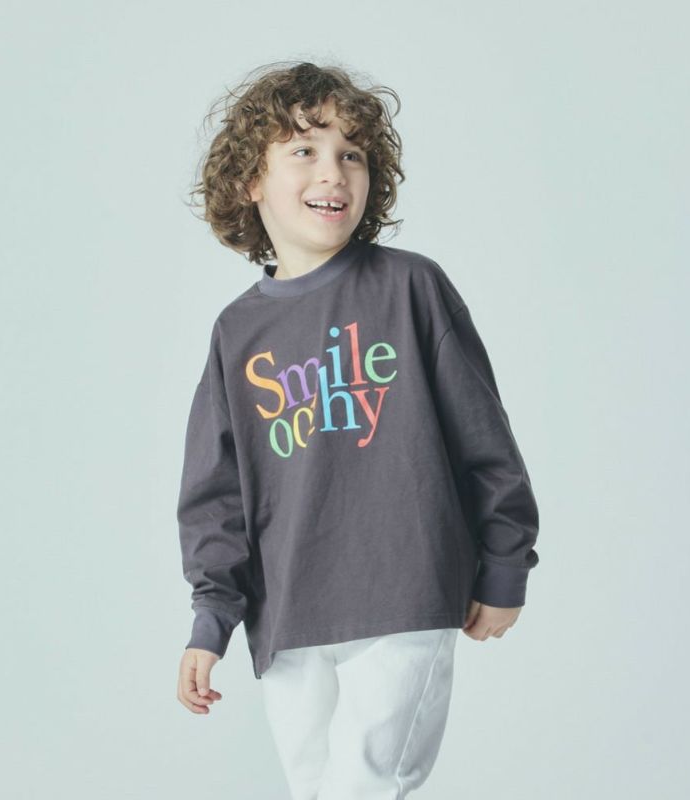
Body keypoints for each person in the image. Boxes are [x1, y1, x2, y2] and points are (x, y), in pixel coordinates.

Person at [175, 60, 540, 799]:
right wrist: (211, 619)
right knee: (315, 787)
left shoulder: (411, 287)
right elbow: (216, 494)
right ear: (250, 181)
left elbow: (484, 437)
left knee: (366, 785)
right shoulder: (237, 333)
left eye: (352, 154)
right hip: (288, 611)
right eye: (303, 149)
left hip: (405, 588)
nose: (333, 171)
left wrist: (506, 564)